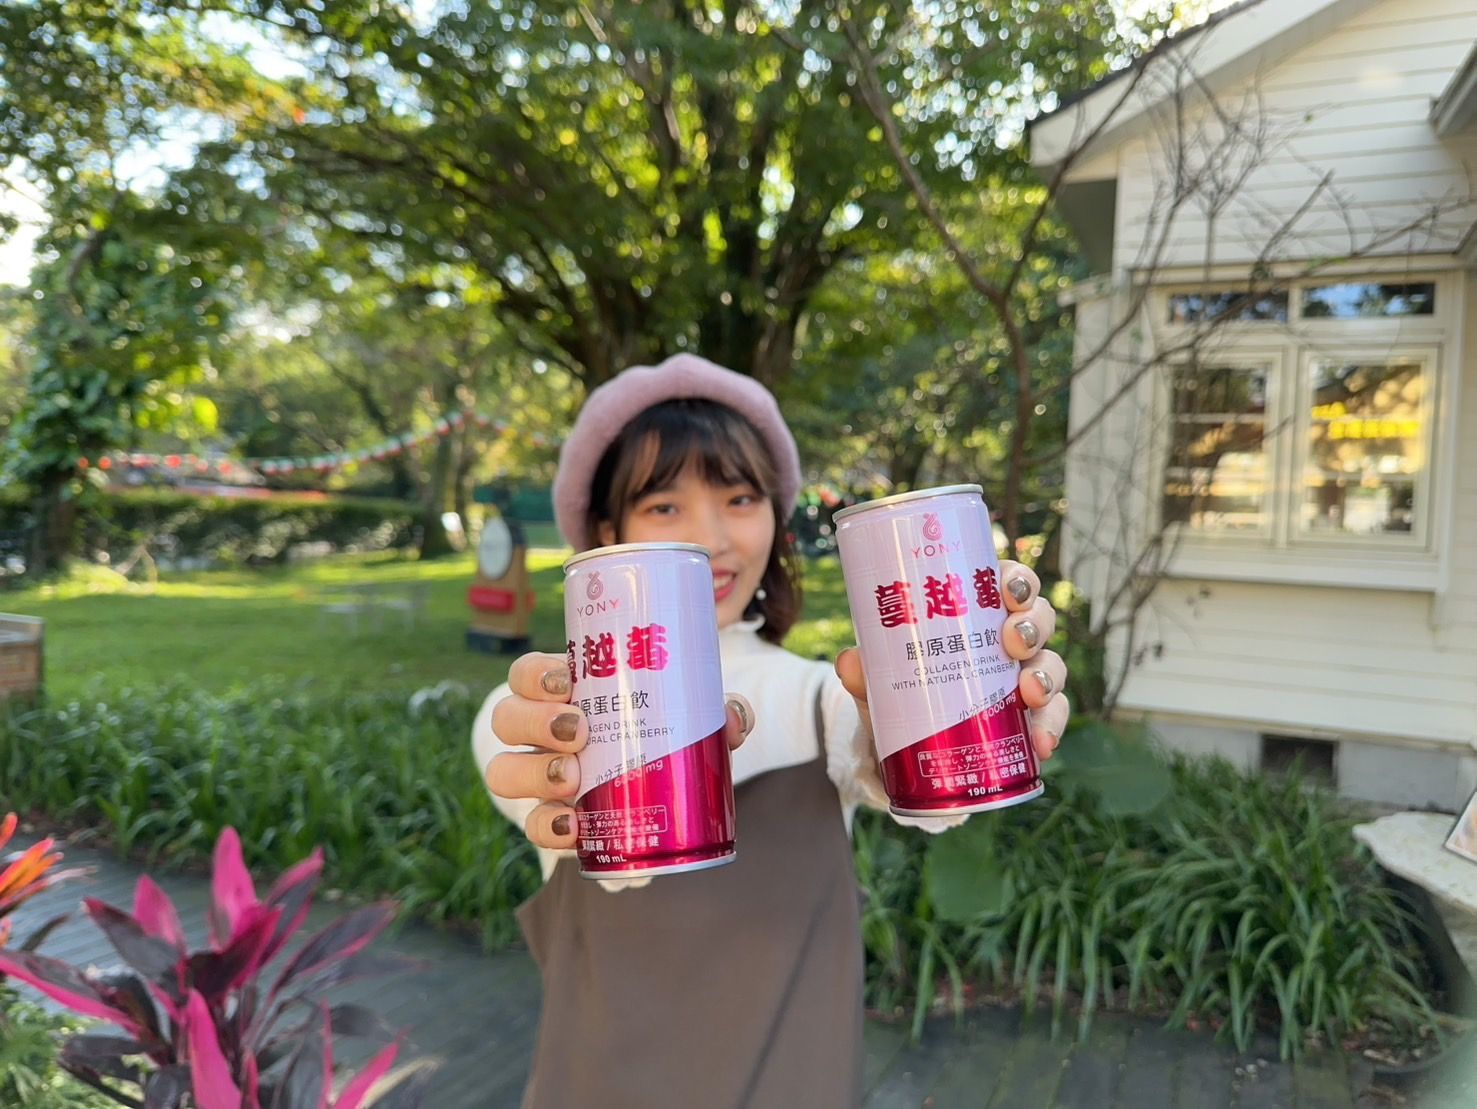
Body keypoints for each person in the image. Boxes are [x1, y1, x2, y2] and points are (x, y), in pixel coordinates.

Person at [472, 353, 1070, 1108]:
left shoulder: (819, 694)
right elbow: (525, 774)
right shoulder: (530, 707)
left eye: (739, 497)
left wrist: (950, 718)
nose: (711, 537)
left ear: (775, 517)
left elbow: (870, 748)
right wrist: (560, 779)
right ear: (604, 529)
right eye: (664, 505)